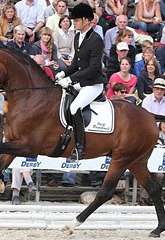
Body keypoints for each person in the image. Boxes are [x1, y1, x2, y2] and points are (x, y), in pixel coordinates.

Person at [55, 3, 106, 160]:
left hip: (93, 83)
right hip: (81, 81)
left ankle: (79, 148)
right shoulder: (77, 36)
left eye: (76, 20)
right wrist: (63, 73)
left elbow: (93, 68)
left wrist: (70, 79)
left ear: (86, 20)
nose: (73, 22)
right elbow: (76, 64)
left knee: (75, 107)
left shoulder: (96, 39)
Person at [140, 77, 165, 205]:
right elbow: (147, 121)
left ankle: (147, 197)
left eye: (162, 89)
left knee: (157, 172)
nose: (159, 91)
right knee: (147, 169)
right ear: (153, 89)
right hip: (148, 134)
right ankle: (147, 197)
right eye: (157, 89)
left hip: (163, 134)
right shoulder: (147, 101)